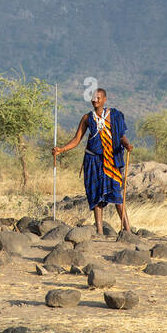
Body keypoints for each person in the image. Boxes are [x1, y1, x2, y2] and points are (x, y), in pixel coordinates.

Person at [52, 87, 134, 236]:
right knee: (96, 195)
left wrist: (126, 144)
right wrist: (61, 149)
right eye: (93, 98)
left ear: (104, 99)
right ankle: (100, 231)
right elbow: (77, 139)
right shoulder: (87, 118)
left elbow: (121, 135)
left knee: (117, 193)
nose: (95, 100)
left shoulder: (115, 116)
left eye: (98, 98)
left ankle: (127, 231)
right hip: (93, 160)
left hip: (111, 160)